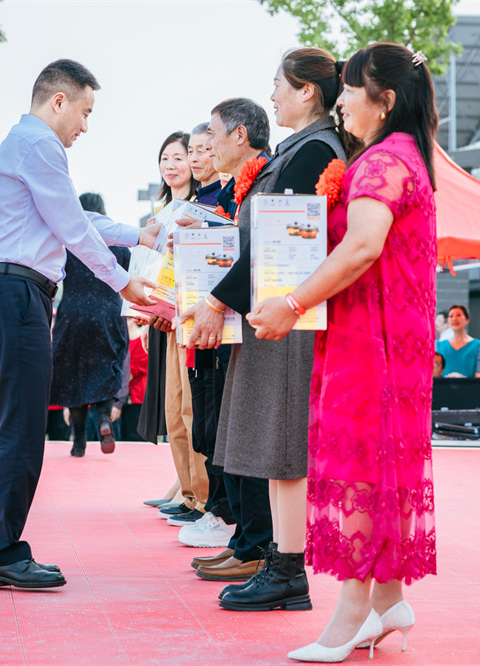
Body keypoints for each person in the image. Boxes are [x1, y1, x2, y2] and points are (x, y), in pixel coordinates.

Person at [249, 43, 438, 660]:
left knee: (360, 468)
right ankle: (389, 601)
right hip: (390, 338)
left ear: (384, 101)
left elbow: (361, 249)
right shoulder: (407, 155)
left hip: (371, 338)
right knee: (383, 467)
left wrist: (292, 303)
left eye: (353, 90)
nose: (343, 100)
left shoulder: (383, 161)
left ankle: (352, 612)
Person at [0, 59, 156, 589]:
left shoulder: (22, 146)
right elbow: (73, 225)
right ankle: (4, 553)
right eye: (85, 111)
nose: (85, 127)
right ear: (58, 101)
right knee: (21, 430)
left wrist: (139, 234)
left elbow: (72, 216)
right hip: (16, 296)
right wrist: (123, 281)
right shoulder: (40, 145)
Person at [184, 50, 348, 612]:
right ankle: (278, 563)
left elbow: (278, 245)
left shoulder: (313, 151)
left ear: (307, 92)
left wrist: (214, 299)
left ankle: (286, 570)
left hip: (287, 317)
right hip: (272, 313)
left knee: (280, 441)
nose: (271, 95)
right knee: (273, 444)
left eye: (278, 85)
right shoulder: (298, 150)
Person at [142, 131, 210, 527]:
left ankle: (201, 498)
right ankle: (188, 493)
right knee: (174, 412)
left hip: (187, 316)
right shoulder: (162, 211)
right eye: (165, 158)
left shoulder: (200, 208)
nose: (173, 165)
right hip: (162, 314)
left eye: (180, 157)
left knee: (189, 409)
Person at [178, 122, 237, 549]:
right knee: (200, 425)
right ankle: (211, 505)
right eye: (194, 149)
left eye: (205, 146)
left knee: (216, 426)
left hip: (222, 322)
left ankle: (221, 510)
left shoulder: (230, 198)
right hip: (194, 322)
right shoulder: (199, 203)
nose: (201, 155)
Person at [49, 192, 131, 457]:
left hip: (72, 314)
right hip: (107, 314)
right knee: (108, 365)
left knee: (74, 373)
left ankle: (79, 440)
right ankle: (105, 418)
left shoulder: (68, 244)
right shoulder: (119, 247)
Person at [435, 304, 480, 377]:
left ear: (467, 320)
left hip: (468, 387)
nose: (454, 318)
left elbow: (479, 376)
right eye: (451, 316)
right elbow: (434, 373)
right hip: (443, 387)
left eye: (458, 315)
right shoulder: (439, 345)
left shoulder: (478, 346)